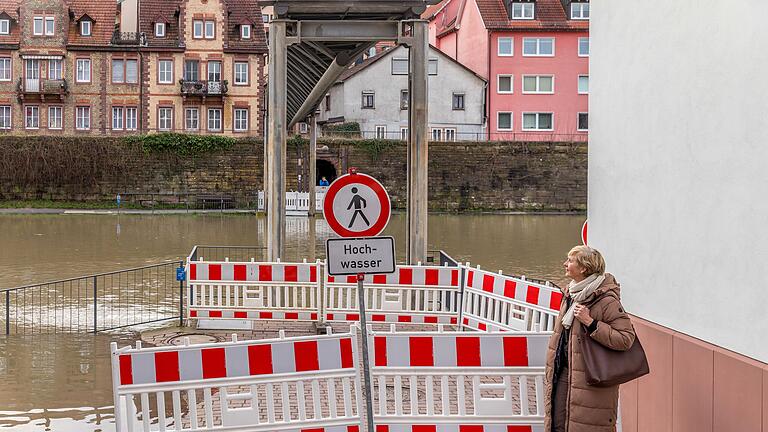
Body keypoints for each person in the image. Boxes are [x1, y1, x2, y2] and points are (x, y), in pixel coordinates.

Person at [544, 245, 636, 432]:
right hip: (563, 374)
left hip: (590, 379)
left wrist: (590, 322)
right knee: (559, 425)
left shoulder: (606, 300)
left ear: (584, 268)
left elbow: (626, 338)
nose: (565, 264)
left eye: (570, 261)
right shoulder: (571, 294)